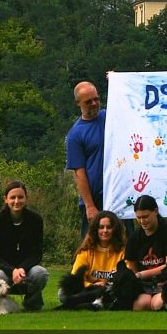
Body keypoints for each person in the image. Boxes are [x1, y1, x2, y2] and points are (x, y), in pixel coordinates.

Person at [0, 180, 49, 311]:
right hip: (5, 272)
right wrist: (12, 271)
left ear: (26, 199)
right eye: (12, 197)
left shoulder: (36, 220)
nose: (16, 201)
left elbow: (36, 253)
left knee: (40, 273)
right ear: (6, 199)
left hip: (26, 272)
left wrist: (22, 269)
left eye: (20, 197)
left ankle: (33, 305)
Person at [124, 195, 167, 311]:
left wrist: (143, 274)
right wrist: (138, 279)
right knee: (140, 305)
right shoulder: (134, 238)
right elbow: (132, 268)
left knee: (157, 304)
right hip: (145, 285)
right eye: (138, 217)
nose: (142, 221)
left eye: (145, 217)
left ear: (156, 211)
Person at [66, 81, 106, 237]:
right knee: (90, 250)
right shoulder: (75, 135)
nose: (94, 103)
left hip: (117, 194)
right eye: (88, 102)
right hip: (94, 199)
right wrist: (90, 206)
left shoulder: (109, 117)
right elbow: (79, 173)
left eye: (96, 99)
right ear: (78, 103)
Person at [59, 210, 127, 302]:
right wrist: (92, 285)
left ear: (115, 229)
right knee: (62, 293)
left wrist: (106, 286)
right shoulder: (85, 252)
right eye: (101, 227)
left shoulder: (123, 252)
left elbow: (125, 280)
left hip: (111, 290)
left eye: (109, 227)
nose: (105, 231)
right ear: (96, 229)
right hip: (89, 289)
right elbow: (75, 278)